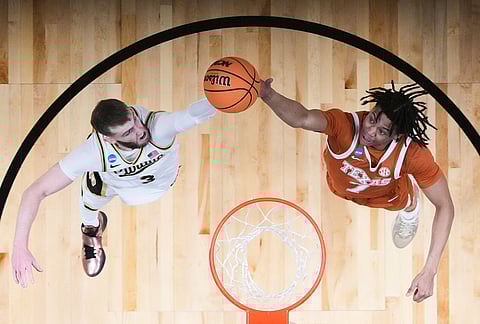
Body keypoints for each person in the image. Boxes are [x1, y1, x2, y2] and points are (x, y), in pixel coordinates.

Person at [259, 78, 454, 303]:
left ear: (397, 136)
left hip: (388, 194)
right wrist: (267, 94)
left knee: (406, 200)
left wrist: (429, 270)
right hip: (341, 186)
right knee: (339, 183)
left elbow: (445, 205)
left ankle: (411, 208)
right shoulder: (343, 125)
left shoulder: (413, 154)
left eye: (383, 131)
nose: (370, 131)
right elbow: (302, 117)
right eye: (372, 119)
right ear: (371, 110)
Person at [11, 97, 217, 287]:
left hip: (155, 186)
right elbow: (34, 191)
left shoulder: (159, 126)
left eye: (134, 120)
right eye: (127, 132)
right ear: (109, 138)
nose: (139, 131)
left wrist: (220, 97)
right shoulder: (94, 151)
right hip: (113, 183)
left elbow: (194, 114)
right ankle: (91, 232)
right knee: (89, 198)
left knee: (105, 186)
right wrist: (20, 246)